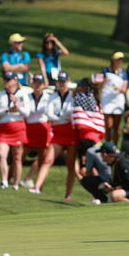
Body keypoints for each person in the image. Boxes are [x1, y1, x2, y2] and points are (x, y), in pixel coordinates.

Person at [31, 71, 79, 199]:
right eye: (59, 82)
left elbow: (71, 114)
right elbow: (49, 113)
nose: (61, 84)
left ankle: (68, 194)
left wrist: (59, 116)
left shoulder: (73, 96)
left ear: (68, 81)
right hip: (58, 131)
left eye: (63, 82)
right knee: (48, 159)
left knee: (70, 164)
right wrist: (61, 117)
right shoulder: (53, 96)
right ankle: (37, 186)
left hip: (71, 132)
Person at [0, 71, 30, 190]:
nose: (5, 82)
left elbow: (26, 113)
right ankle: (4, 181)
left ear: (15, 81)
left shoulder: (22, 95)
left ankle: (16, 184)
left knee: (17, 158)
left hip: (18, 128)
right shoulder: (0, 94)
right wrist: (8, 109)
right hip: (3, 128)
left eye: (8, 80)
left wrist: (17, 105)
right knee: (1, 154)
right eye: (4, 79)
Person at [19, 74, 52, 190]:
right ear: (32, 83)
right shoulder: (26, 96)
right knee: (20, 156)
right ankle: (10, 180)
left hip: (43, 128)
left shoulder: (48, 97)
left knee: (43, 157)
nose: (37, 85)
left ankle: (34, 182)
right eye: (35, 82)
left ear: (43, 85)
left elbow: (50, 114)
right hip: (29, 128)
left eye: (40, 83)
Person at [100, 51, 128, 145]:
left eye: (121, 60)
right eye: (117, 59)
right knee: (108, 125)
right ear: (113, 60)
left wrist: (119, 88)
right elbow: (98, 86)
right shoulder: (105, 71)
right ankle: (108, 145)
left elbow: (124, 89)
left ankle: (115, 147)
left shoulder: (123, 73)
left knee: (116, 127)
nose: (119, 62)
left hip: (117, 100)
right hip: (107, 99)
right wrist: (104, 80)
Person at [78, 139, 112, 204]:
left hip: (108, 181)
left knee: (84, 181)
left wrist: (84, 172)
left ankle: (104, 200)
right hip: (116, 177)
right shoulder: (102, 146)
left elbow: (88, 173)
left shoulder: (90, 151)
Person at [72, 78, 105, 143]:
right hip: (90, 133)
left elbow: (72, 109)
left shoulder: (83, 98)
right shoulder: (93, 97)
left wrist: (73, 96)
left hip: (89, 134)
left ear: (84, 88)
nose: (77, 88)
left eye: (79, 86)